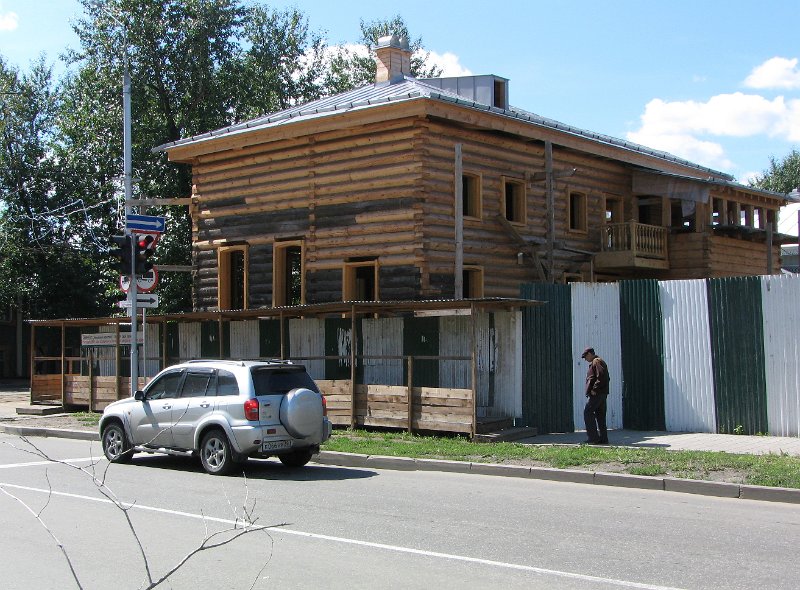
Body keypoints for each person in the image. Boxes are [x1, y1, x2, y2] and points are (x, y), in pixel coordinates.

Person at [582, 347, 610, 445]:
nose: (585, 359)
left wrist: (594, 389)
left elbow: (601, 376)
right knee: (600, 416)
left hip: (597, 394)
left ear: (590, 353)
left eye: (585, 356)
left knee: (588, 412)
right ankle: (603, 438)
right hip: (602, 394)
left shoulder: (596, 361)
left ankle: (593, 438)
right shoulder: (599, 361)